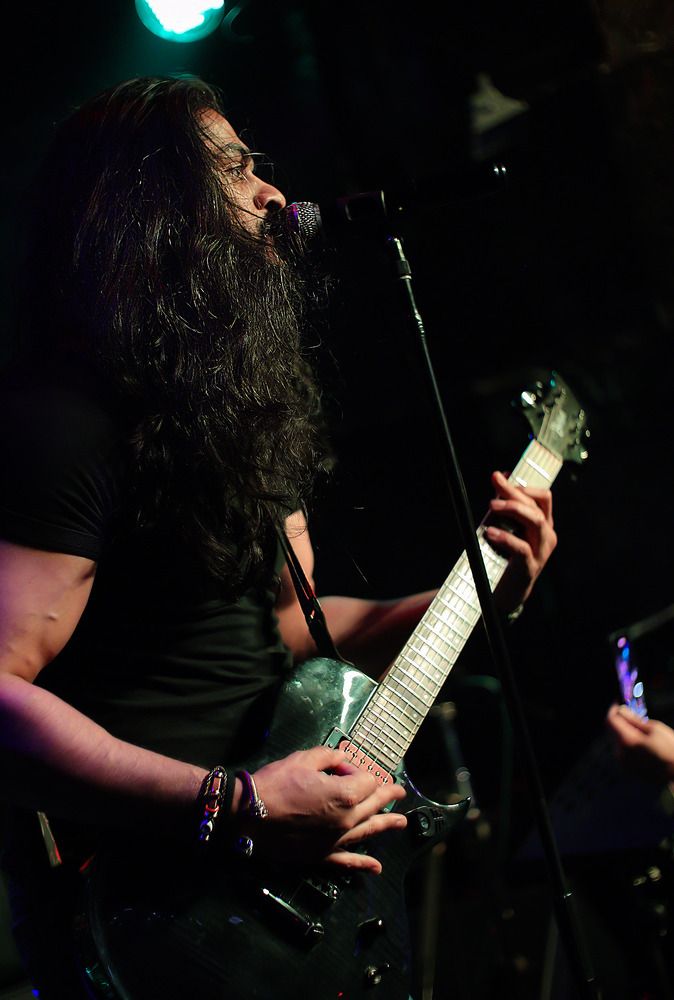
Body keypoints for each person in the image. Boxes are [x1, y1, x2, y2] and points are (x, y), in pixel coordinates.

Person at [0, 76, 557, 998]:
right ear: (154, 214)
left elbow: (286, 635)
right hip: (155, 918)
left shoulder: (233, 412)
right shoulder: (66, 421)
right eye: (233, 171)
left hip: (287, 914)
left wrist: (482, 595)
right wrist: (237, 804)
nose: (272, 193)